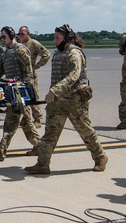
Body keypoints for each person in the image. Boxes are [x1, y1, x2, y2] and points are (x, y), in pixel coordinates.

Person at [25, 25, 108, 175]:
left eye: (57, 38)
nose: (54, 40)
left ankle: (100, 157)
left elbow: (73, 76)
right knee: (50, 133)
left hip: (75, 101)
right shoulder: (58, 53)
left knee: (85, 130)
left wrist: (54, 91)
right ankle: (43, 164)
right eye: (54, 37)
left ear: (67, 38)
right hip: (58, 101)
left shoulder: (74, 53)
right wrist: (55, 94)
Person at [0, 26, 40, 160]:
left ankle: (1, 150)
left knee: (10, 123)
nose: (2, 39)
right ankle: (40, 146)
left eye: (4, 36)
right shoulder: (6, 53)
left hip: (19, 93)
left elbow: (28, 73)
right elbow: (0, 72)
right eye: (1, 37)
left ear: (11, 35)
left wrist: (26, 93)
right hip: (12, 92)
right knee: (26, 124)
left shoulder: (20, 50)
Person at [17, 26, 50, 128]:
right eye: (19, 34)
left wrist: (36, 66)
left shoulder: (33, 43)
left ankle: (37, 119)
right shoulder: (18, 45)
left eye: (22, 34)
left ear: (28, 34)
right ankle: (25, 119)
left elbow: (46, 54)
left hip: (30, 75)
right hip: (20, 75)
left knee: (33, 96)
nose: (20, 36)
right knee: (21, 97)